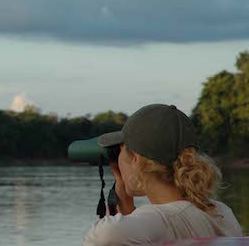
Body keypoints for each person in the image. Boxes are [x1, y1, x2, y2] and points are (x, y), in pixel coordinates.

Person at [82, 103, 243, 246]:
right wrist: (125, 205)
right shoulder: (222, 213)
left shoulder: (152, 223)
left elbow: (104, 236)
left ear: (136, 160)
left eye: (121, 150)